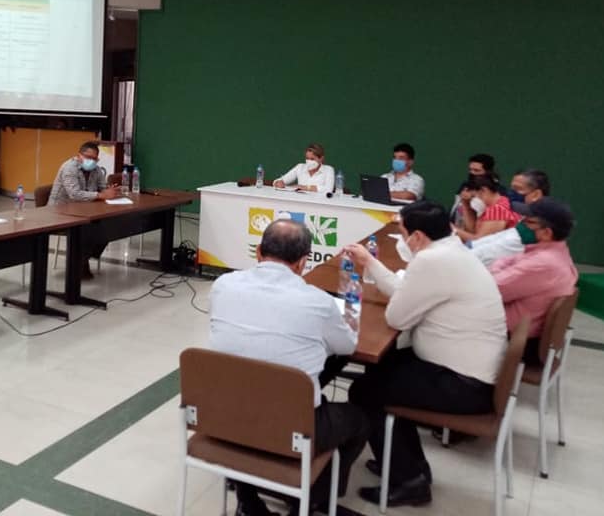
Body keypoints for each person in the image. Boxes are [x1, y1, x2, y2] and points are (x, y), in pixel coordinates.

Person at [344, 200, 507, 509]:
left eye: (403, 232)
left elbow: (396, 317)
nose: (403, 239)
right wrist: (370, 263)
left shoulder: (432, 260)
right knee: (381, 367)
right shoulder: (452, 250)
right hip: (468, 372)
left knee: (364, 391)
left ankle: (408, 481)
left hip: (462, 385)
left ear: (417, 236)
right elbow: (407, 294)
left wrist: (371, 266)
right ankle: (408, 463)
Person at [210, 219, 367, 516]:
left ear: (258, 252)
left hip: (226, 417)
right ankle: (309, 501)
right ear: (303, 262)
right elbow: (347, 345)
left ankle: (248, 502)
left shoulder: (223, 285)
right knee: (360, 420)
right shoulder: (318, 302)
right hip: (292, 428)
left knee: (257, 377)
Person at [490, 198, 578, 363]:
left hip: (515, 341)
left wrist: (495, 269)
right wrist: (499, 268)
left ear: (547, 233)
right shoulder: (555, 252)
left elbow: (490, 289)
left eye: (529, 222)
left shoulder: (543, 264)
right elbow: (505, 261)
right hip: (522, 333)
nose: (521, 224)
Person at [48, 141, 120, 278]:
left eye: (95, 159)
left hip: (84, 210)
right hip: (59, 211)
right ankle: (79, 264)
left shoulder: (96, 169)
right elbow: (74, 194)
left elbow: (102, 187)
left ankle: (82, 259)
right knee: (88, 228)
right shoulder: (69, 168)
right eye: (88, 157)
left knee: (108, 225)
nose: (91, 161)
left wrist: (109, 190)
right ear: (79, 155)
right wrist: (101, 195)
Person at [470, 169, 551, 265]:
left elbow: (488, 251)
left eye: (518, 189)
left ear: (536, 194)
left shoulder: (537, 229)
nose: (512, 193)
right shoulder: (523, 218)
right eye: (512, 188)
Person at [455, 175, 521, 241]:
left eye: (473, 196)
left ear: (483, 190)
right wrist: (465, 204)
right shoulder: (490, 206)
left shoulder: (497, 209)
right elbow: (472, 231)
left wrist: (454, 230)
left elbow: (480, 241)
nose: (473, 200)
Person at [451, 154, 499, 227]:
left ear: (488, 172)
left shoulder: (496, 192)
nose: (472, 173)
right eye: (470, 170)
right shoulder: (465, 186)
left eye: (477, 170)